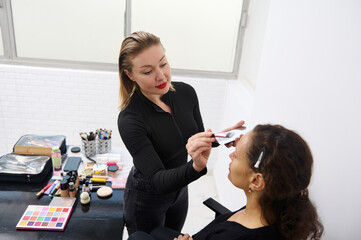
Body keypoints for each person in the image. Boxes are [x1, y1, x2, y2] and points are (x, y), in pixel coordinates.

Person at [117, 31, 244, 235]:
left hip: (180, 190)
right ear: (130, 75)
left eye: (163, 63)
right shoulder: (130, 119)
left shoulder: (186, 93)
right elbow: (158, 180)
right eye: (148, 71)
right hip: (147, 198)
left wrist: (221, 137)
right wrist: (194, 167)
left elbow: (194, 139)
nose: (161, 76)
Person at [128, 124, 324, 240]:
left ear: (256, 181)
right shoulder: (273, 208)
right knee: (154, 232)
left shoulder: (235, 236)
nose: (230, 155)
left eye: (237, 155)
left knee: (138, 237)